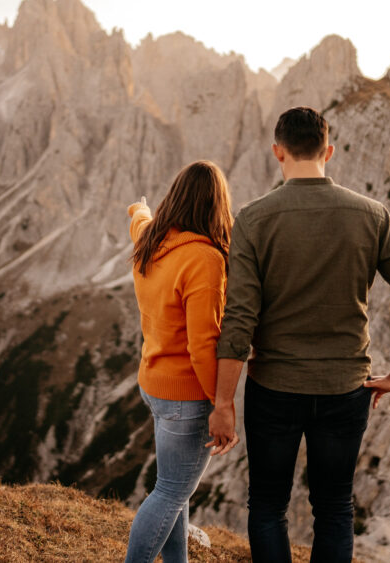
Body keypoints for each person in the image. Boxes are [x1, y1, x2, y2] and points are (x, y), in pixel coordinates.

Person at [206, 107, 390, 563]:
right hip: (345, 389)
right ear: (328, 151)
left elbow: (240, 318)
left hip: (274, 389)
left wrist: (224, 401)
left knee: (268, 505)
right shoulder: (373, 215)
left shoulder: (253, 219)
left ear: (277, 152)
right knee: (334, 508)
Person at [123, 160, 240, 563]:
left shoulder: (151, 239)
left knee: (176, 489)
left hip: (153, 385)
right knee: (171, 492)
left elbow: (139, 219)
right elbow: (203, 344)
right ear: (216, 207)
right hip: (186, 397)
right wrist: (221, 405)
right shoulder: (205, 260)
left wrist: (138, 208)